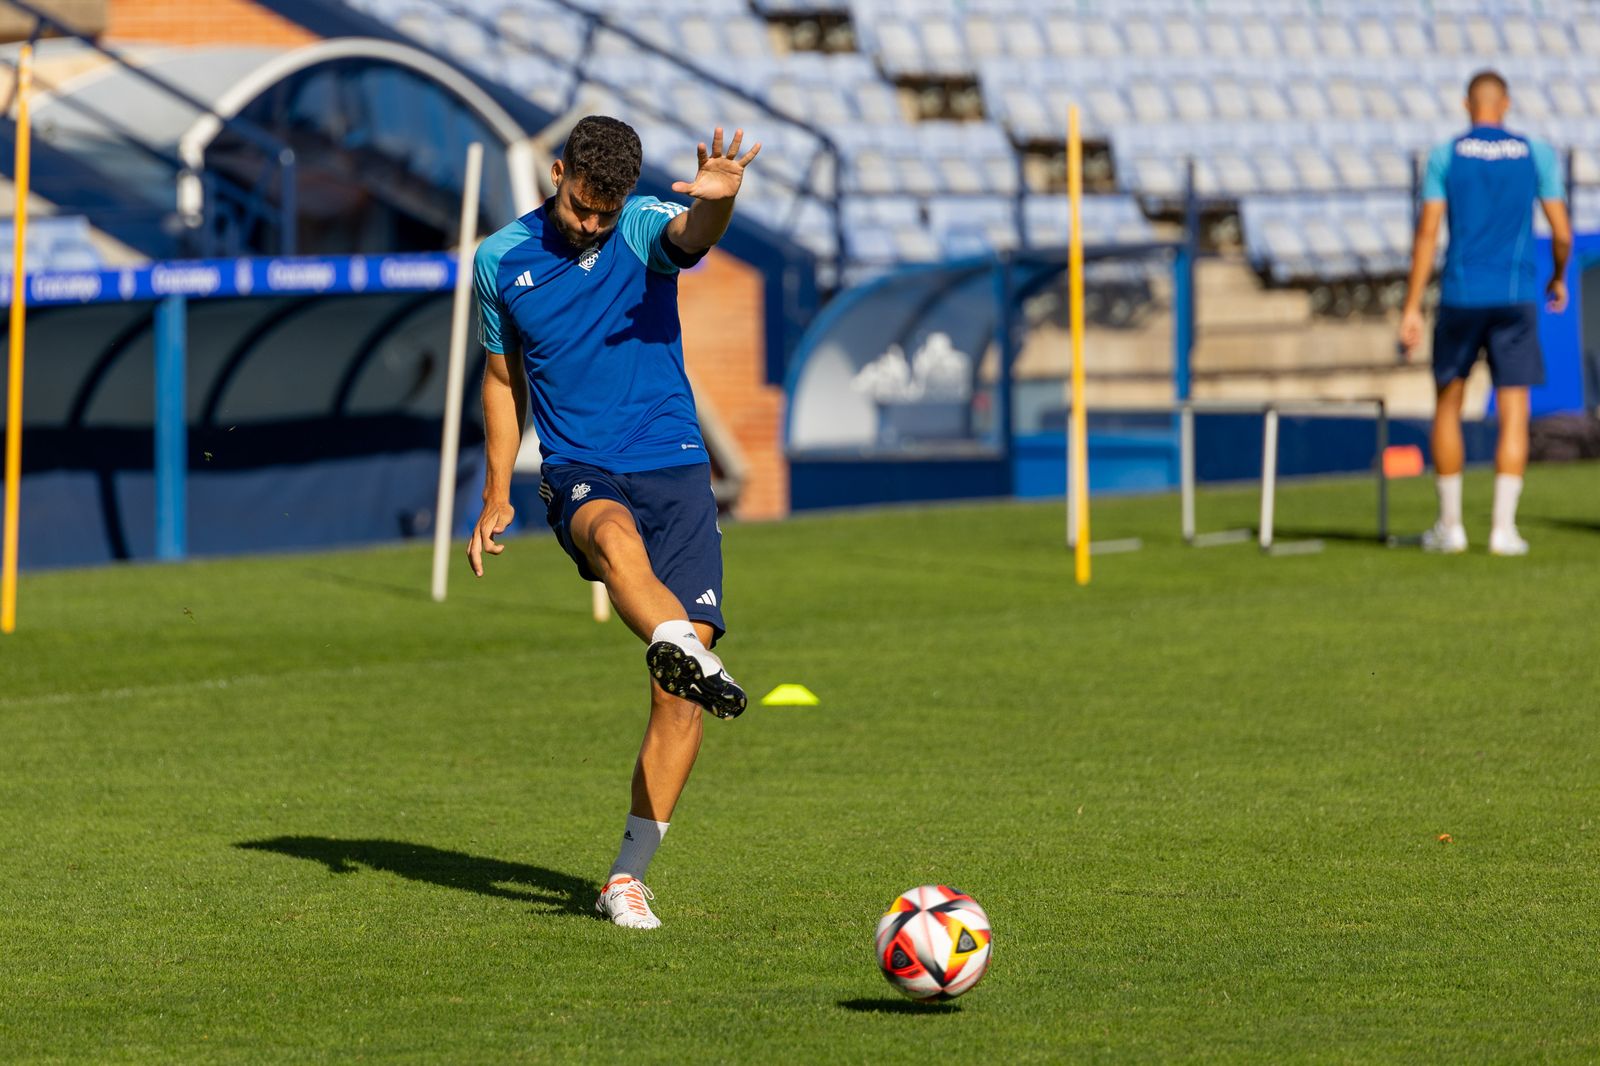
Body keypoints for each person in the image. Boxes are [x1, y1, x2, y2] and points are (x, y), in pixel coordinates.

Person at [467, 116, 760, 929]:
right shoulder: (500, 259)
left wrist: (720, 203)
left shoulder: (637, 230)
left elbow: (690, 233)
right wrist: (498, 492)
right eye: (579, 205)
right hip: (578, 465)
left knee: (679, 697)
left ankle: (625, 879)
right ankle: (680, 646)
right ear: (556, 171)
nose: (590, 223)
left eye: (604, 211)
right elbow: (500, 381)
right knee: (611, 540)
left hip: (672, 461)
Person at [1399, 70, 1571, 556]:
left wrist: (1412, 307)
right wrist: (1557, 276)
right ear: (1507, 104)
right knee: (1513, 410)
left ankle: (1450, 527)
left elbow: (1428, 235)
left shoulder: (1445, 155)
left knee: (1448, 405)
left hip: (1460, 294)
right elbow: (1561, 232)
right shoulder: (1534, 152)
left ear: (1466, 105)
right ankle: (1503, 530)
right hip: (1515, 296)